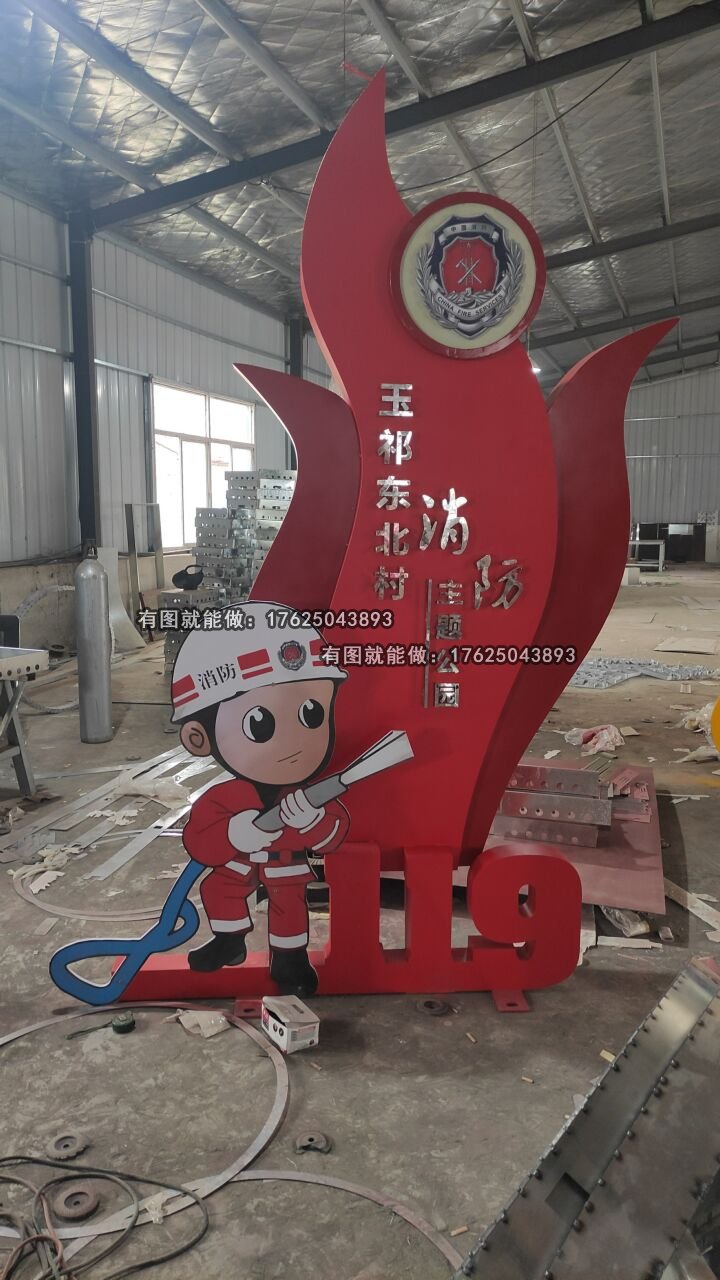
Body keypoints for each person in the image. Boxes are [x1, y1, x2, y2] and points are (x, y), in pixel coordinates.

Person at [171, 602, 349, 996]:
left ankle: (290, 960)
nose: (294, 743)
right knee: (218, 890)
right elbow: (199, 839)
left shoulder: (309, 796)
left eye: (312, 715)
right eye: (260, 724)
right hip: (237, 864)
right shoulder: (225, 797)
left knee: (290, 907)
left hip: (286, 866)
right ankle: (229, 941)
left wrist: (312, 822)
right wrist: (232, 834)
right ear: (199, 738)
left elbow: (334, 833)